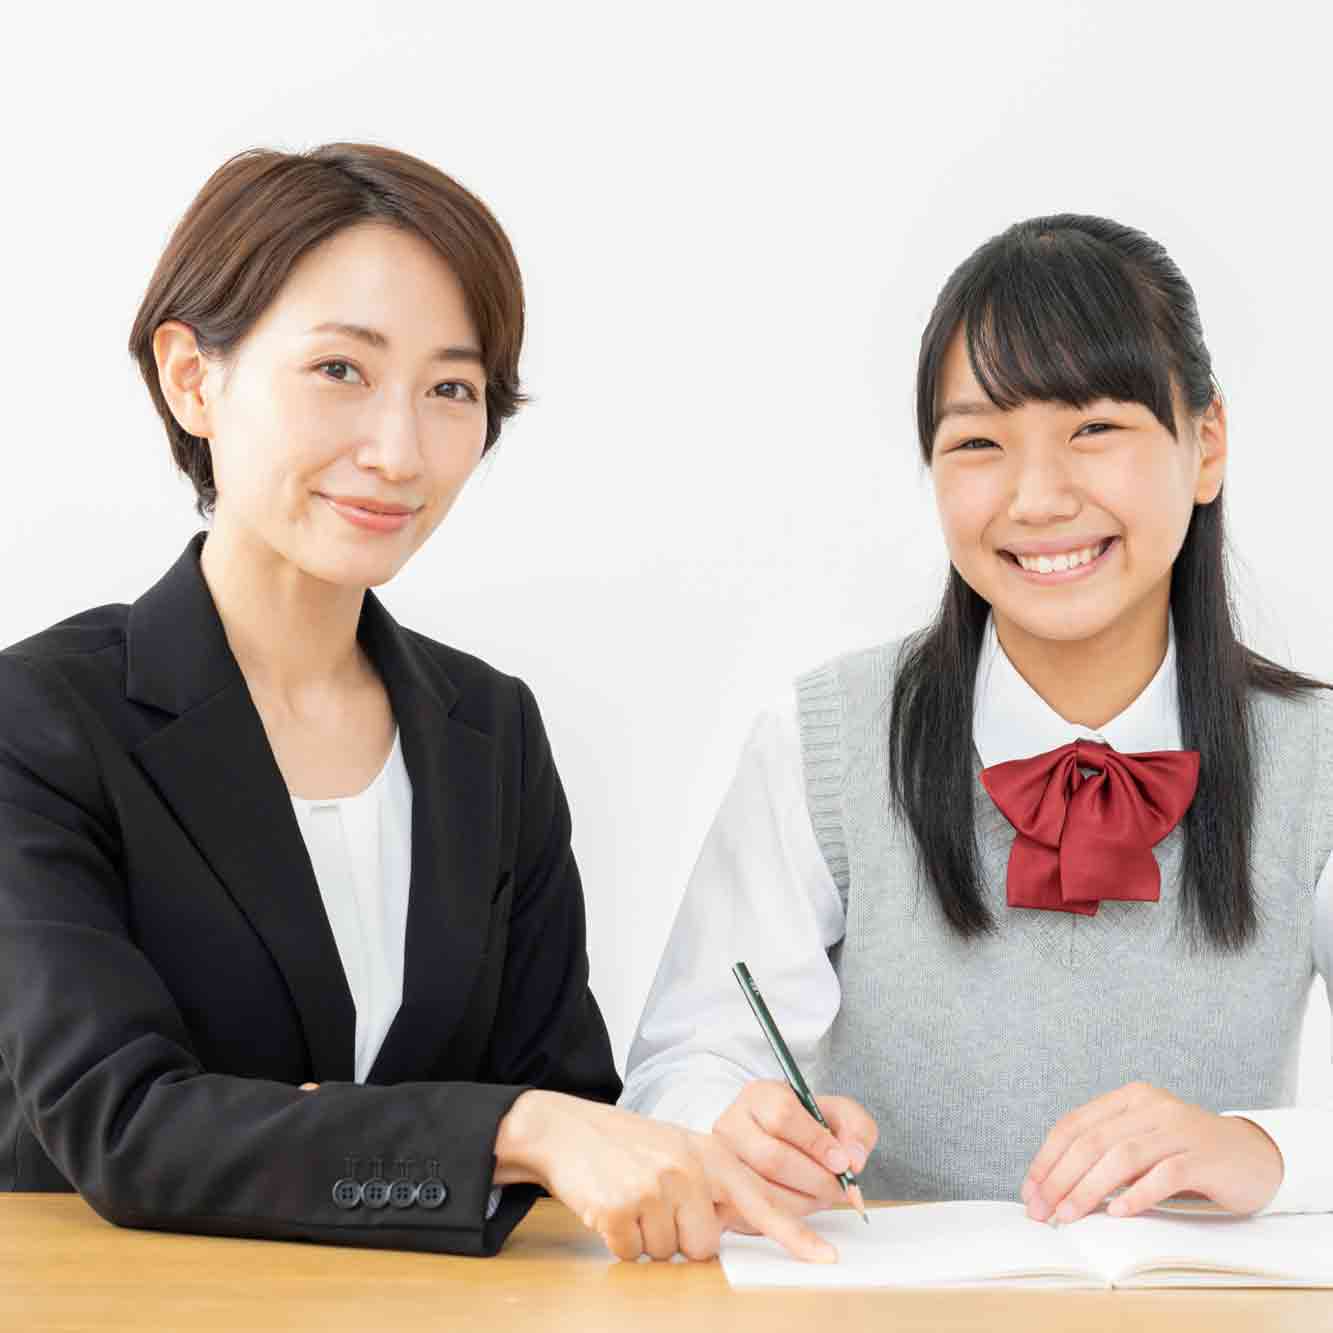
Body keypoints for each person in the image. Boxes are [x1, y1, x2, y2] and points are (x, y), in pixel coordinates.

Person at [0, 143, 830, 1264]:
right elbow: (125, 1127)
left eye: (450, 389)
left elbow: (567, 1106)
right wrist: (507, 1130)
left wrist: (701, 1142)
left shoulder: (488, 732)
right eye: (340, 369)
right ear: (193, 378)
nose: (398, 452)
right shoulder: (42, 719)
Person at [621, 213, 1333, 1227]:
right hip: (895, 1298)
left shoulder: (1314, 758)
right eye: (979, 443)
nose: (1036, 498)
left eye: (1093, 429)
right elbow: (682, 1068)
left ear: (1204, 445)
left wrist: (1262, 1150)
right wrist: (729, 1124)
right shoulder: (825, 742)